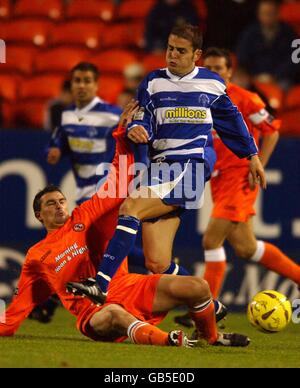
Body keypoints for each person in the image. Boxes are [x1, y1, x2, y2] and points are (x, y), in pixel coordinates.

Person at [0, 102, 249, 348]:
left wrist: (121, 138)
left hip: (129, 287)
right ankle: (170, 341)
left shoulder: (84, 217)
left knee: (198, 287)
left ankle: (211, 339)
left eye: (61, 201)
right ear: (38, 216)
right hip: (95, 311)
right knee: (114, 314)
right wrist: (6, 325)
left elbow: (116, 185)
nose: (58, 206)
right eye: (50, 204)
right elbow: (16, 311)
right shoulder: (36, 257)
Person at [71, 24, 265, 303]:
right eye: (170, 48)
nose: (173, 55)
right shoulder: (152, 82)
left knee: (130, 207)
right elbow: (141, 117)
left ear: (196, 54)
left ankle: (101, 283)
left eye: (181, 51)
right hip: (160, 169)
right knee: (158, 263)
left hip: (190, 167)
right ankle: (210, 304)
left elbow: (232, 121)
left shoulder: (211, 83)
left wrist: (252, 156)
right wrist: (137, 129)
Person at [201, 47, 300, 297]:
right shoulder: (199, 100)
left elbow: (272, 131)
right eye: (208, 68)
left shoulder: (246, 99)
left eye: (218, 68)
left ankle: (207, 310)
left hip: (239, 176)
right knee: (247, 248)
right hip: (219, 178)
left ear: (230, 72)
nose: (213, 73)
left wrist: (258, 165)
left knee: (211, 241)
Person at [47, 62, 122, 205]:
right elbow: (55, 142)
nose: (81, 86)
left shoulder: (114, 115)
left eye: (87, 81)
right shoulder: (67, 115)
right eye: (77, 81)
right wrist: (55, 150)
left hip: (106, 191)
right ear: (71, 85)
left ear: (96, 85)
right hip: (82, 192)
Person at [236, 0, 298, 89]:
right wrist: (255, 76)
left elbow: (295, 60)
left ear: (277, 14)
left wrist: (275, 76)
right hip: (254, 78)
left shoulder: (290, 33)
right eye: (264, 13)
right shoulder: (249, 33)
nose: (267, 17)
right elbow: (242, 57)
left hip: (281, 79)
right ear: (258, 14)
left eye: (270, 13)